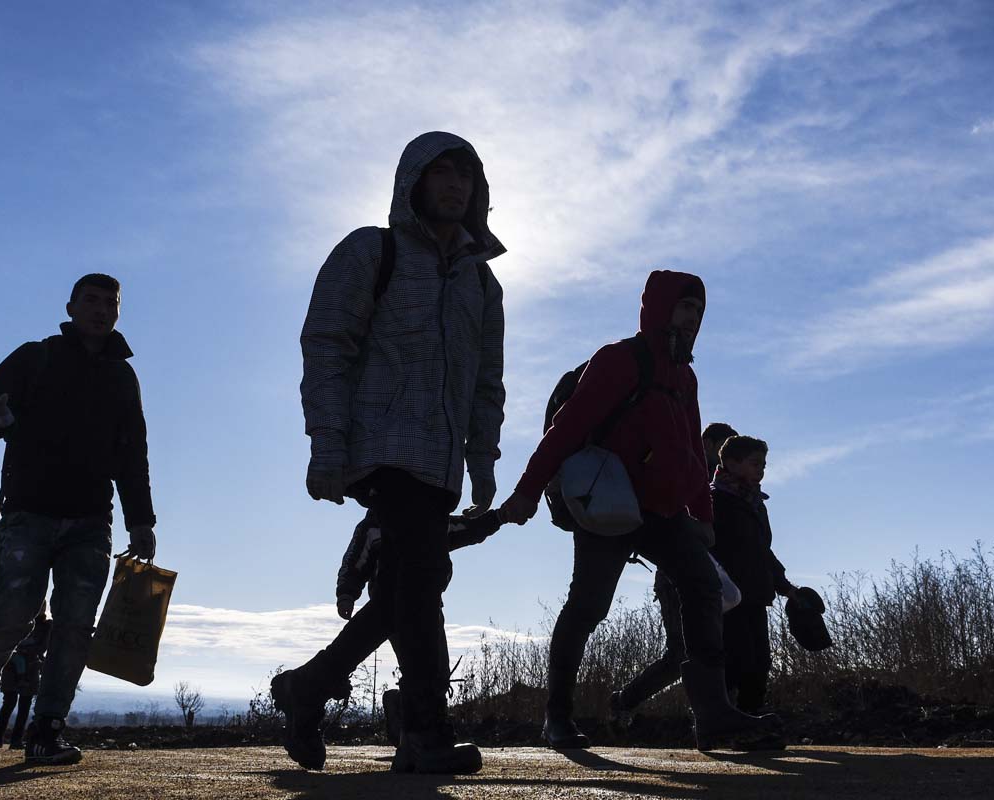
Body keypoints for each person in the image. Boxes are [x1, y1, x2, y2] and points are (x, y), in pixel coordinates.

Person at [500, 270, 783, 751]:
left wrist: (704, 516)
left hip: (662, 511)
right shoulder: (619, 361)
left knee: (702, 584)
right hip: (608, 507)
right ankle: (558, 718)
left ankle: (713, 715)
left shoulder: (685, 377)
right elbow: (565, 432)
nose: (693, 318)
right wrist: (526, 492)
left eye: (699, 311)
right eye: (684, 307)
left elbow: (693, 454)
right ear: (658, 309)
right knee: (589, 606)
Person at [297, 131, 507, 774]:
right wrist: (327, 444)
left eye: (464, 176)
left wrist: (482, 457)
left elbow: (486, 378)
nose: (453, 185)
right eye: (440, 172)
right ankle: (424, 731)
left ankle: (306, 687)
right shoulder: (372, 250)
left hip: (440, 459)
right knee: (421, 583)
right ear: (413, 180)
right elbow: (327, 345)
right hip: (384, 447)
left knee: (407, 588)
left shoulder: (482, 281)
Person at [0, 273, 157, 765]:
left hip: (91, 519)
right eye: (90, 300)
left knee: (74, 626)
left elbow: (132, 452)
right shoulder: (34, 356)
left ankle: (47, 730)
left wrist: (142, 520)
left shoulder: (121, 376)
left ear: (117, 312)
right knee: (13, 616)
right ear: (70, 307)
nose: (100, 309)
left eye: (110, 302)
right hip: (28, 512)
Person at [273, 509, 504, 770]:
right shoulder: (376, 526)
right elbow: (354, 559)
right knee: (423, 659)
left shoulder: (435, 522)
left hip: (423, 603)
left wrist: (497, 517)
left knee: (432, 669)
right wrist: (347, 591)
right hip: (396, 603)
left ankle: (409, 724)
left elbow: (466, 528)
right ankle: (416, 732)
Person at [610, 422, 740, 717]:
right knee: (681, 653)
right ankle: (626, 701)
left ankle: (721, 712)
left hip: (712, 574)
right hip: (676, 573)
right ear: (706, 443)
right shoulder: (686, 470)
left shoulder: (725, 485)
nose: (722, 456)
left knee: (715, 646)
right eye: (719, 448)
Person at [709, 435, 799, 712]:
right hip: (727, 596)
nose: (761, 469)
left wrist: (784, 585)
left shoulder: (755, 503)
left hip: (756, 593)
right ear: (731, 463)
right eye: (754, 463)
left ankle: (752, 718)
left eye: (763, 464)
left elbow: (761, 550)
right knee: (737, 660)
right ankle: (718, 717)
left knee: (761, 660)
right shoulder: (714, 500)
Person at [0, 608, 51, 749]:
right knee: (11, 703)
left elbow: (43, 647)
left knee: (21, 705)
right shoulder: (17, 621)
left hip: (27, 667)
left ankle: (13, 740)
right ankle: (1, 738)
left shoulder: (44, 627)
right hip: (14, 667)